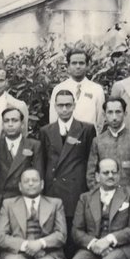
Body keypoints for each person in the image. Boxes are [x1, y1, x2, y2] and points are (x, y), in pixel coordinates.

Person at [39, 89, 97, 231]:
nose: (64, 109)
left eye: (68, 105)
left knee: (74, 226)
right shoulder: (46, 131)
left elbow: (91, 159)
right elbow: (43, 161)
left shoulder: (86, 129)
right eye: (60, 105)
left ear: (74, 105)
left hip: (75, 188)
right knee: (55, 226)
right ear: (55, 106)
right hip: (53, 188)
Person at [85, 97, 130, 195]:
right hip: (103, 198)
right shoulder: (98, 141)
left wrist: (126, 196)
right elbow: (91, 175)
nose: (114, 117)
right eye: (110, 112)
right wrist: (101, 194)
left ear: (125, 114)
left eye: (118, 112)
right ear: (104, 115)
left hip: (129, 198)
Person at [0, 107, 41, 215]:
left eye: (14, 120)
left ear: (22, 124)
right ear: (2, 125)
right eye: (6, 121)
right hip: (0, 202)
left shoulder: (33, 145)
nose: (10, 124)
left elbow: (39, 175)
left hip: (25, 200)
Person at [48, 48, 106, 131]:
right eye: (74, 63)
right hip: (64, 140)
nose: (78, 66)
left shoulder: (97, 90)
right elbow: (53, 120)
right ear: (68, 66)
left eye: (81, 63)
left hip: (89, 140)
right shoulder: (58, 89)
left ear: (87, 66)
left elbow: (100, 121)